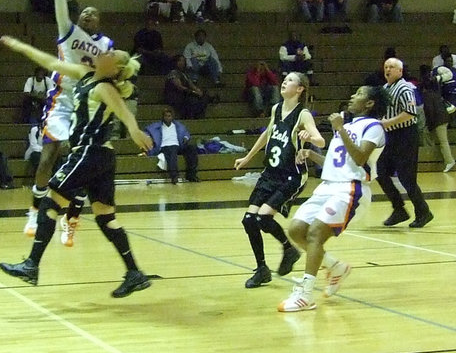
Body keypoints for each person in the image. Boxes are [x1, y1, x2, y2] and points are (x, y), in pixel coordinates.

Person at [0, 36, 153, 298]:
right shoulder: (85, 74)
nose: (106, 52)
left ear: (115, 68)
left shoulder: (105, 87)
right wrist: (21, 47)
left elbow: (125, 113)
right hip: (102, 157)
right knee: (106, 218)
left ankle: (31, 265)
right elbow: (50, 62)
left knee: (49, 203)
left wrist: (135, 130)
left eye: (111, 52)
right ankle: (135, 273)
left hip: (89, 153)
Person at [25, 0, 114, 245]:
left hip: (86, 107)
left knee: (78, 164)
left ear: (98, 22)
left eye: (94, 14)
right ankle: (35, 210)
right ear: (79, 19)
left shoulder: (106, 46)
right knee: (48, 157)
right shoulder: (67, 29)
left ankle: (71, 218)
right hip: (61, 102)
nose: (88, 16)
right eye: (85, 13)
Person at [279, 84, 388, 312]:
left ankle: (305, 295)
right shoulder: (346, 126)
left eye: (358, 94)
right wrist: (311, 154)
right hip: (328, 186)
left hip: (350, 189)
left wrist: (340, 128)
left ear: (369, 103)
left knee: (315, 233)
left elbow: (359, 159)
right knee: (297, 230)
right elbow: (335, 160)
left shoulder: (374, 127)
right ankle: (335, 267)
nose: (351, 96)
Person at [233, 72, 324, 289]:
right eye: (285, 79)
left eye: (290, 80)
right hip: (270, 173)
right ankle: (262, 269)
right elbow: (267, 134)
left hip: (291, 175)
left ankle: (289, 249)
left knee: (264, 218)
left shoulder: (303, 115)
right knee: (249, 220)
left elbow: (320, 139)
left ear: (300, 89)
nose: (285, 82)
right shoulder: (276, 109)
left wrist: (308, 138)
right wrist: (248, 157)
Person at [377, 58, 433, 228]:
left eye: (392, 67)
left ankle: (423, 212)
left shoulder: (405, 87)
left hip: (406, 135)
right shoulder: (385, 88)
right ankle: (399, 209)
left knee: (406, 177)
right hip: (391, 136)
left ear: (400, 71)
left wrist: (387, 122)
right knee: (380, 171)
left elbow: (410, 113)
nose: (388, 69)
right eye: (386, 67)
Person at [143, 106, 200, 184]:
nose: (167, 118)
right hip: (165, 146)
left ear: (172, 117)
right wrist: (149, 137)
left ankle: (191, 175)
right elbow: (146, 131)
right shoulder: (157, 126)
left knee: (191, 149)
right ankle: (174, 176)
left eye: (169, 116)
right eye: (165, 116)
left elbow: (186, 133)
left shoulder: (178, 126)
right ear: (163, 117)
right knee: (172, 150)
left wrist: (186, 137)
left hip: (178, 145)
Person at [417, 64, 456, 173]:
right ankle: (433, 158)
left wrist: (430, 124)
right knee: (432, 137)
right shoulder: (435, 92)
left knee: (443, 141)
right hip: (442, 117)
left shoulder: (428, 95)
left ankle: (449, 160)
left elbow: (430, 111)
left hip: (439, 119)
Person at [164, 55, 212, 120]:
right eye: (179, 60)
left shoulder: (185, 74)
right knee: (192, 100)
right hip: (175, 95)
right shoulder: (173, 73)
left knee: (203, 97)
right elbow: (179, 87)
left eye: (183, 61)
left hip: (184, 94)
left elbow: (191, 84)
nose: (182, 62)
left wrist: (198, 91)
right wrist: (193, 92)